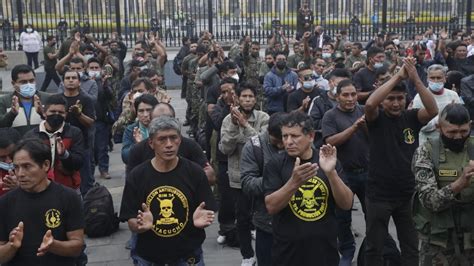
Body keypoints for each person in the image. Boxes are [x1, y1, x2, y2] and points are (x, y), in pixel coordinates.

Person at [364, 58, 438, 265]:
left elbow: (433, 110)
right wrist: (398, 75)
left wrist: (414, 78)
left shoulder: (412, 117)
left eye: (400, 98)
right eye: (391, 99)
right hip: (379, 195)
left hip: (407, 194)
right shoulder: (376, 119)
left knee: (411, 246)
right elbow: (370, 103)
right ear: (383, 100)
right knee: (374, 247)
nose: (396, 103)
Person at [119, 116, 217, 265]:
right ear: (151, 143)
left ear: (180, 140)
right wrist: (139, 225)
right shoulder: (137, 176)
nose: (169, 144)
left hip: (187, 255)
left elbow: (206, 208)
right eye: (162, 139)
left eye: (173, 138)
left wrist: (203, 219)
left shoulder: (194, 173)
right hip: (149, 256)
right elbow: (130, 217)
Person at [263, 111, 353, 265]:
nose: (288, 142)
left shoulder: (327, 159)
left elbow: (346, 204)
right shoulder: (275, 164)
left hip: (325, 252)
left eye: (294, 136)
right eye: (285, 136)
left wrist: (331, 174)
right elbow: (271, 206)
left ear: (311, 136)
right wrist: (293, 183)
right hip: (288, 253)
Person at [0, 138, 84, 265]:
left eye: (27, 166)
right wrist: (12, 245)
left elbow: (77, 247)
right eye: (16, 167)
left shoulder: (68, 197)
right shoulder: (5, 203)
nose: (20, 174)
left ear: (45, 165)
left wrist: (53, 245)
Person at [412, 103, 474, 265]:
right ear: (439, 128)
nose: (458, 137)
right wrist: (460, 184)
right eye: (452, 132)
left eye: (463, 132)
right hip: (438, 240)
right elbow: (429, 201)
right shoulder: (426, 152)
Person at [219, 83, 269, 266]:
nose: (247, 100)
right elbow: (225, 148)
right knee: (241, 217)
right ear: (237, 99)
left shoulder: (264, 117)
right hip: (238, 176)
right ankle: (247, 255)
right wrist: (234, 127)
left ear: (256, 99)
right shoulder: (227, 120)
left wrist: (245, 125)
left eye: (251, 97)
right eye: (244, 97)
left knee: (263, 214)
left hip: (261, 175)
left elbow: (263, 145)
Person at [322, 79, 368, 265]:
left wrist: (364, 127)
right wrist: (354, 127)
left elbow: (377, 137)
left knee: (372, 214)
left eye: (353, 95)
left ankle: (371, 250)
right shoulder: (330, 116)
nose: (350, 99)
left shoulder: (364, 111)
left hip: (367, 172)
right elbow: (330, 142)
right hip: (342, 175)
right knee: (342, 218)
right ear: (337, 96)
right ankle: (347, 251)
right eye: (345, 95)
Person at [240, 112, 286, 266]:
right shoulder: (254, 147)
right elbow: (247, 183)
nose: (282, 145)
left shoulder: (298, 141)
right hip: (267, 223)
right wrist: (278, 180)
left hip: (298, 223)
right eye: (277, 142)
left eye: (284, 140)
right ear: (269, 133)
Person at [24, 94, 85, 193]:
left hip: (68, 189)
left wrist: (65, 155)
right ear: (44, 113)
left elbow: (79, 162)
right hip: (39, 189)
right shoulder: (31, 136)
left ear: (66, 114)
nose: (56, 114)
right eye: (52, 111)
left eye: (60, 112)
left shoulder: (74, 133)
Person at [59, 70, 96, 196]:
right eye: (67, 78)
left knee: (86, 181)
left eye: (74, 78)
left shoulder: (86, 99)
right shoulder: (58, 100)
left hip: (83, 145)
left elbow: (90, 122)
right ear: (63, 82)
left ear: (79, 82)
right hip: (62, 146)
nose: (70, 80)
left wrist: (79, 114)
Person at [412, 64, 461, 145]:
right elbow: (420, 125)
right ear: (427, 79)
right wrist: (443, 117)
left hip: (449, 141)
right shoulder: (419, 97)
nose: (435, 81)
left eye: (439, 78)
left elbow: (459, 119)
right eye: (432, 78)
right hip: (427, 143)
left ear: (445, 79)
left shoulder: (453, 95)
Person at [0, 64, 50, 136]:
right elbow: (1, 126)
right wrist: (12, 114)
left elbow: (56, 124)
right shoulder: (4, 101)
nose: (29, 85)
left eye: (31, 81)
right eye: (23, 82)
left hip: (41, 145)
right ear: (13, 83)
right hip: (16, 145)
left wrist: (42, 114)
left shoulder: (47, 98)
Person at [121, 94, 158, 165]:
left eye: (149, 110)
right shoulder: (131, 129)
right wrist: (138, 146)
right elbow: (125, 157)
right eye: (141, 111)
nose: (145, 114)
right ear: (136, 113)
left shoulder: (163, 128)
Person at [0, 128, 21, 197]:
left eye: (12, 155)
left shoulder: (36, 165)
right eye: (2, 157)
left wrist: (21, 188)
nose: (8, 161)